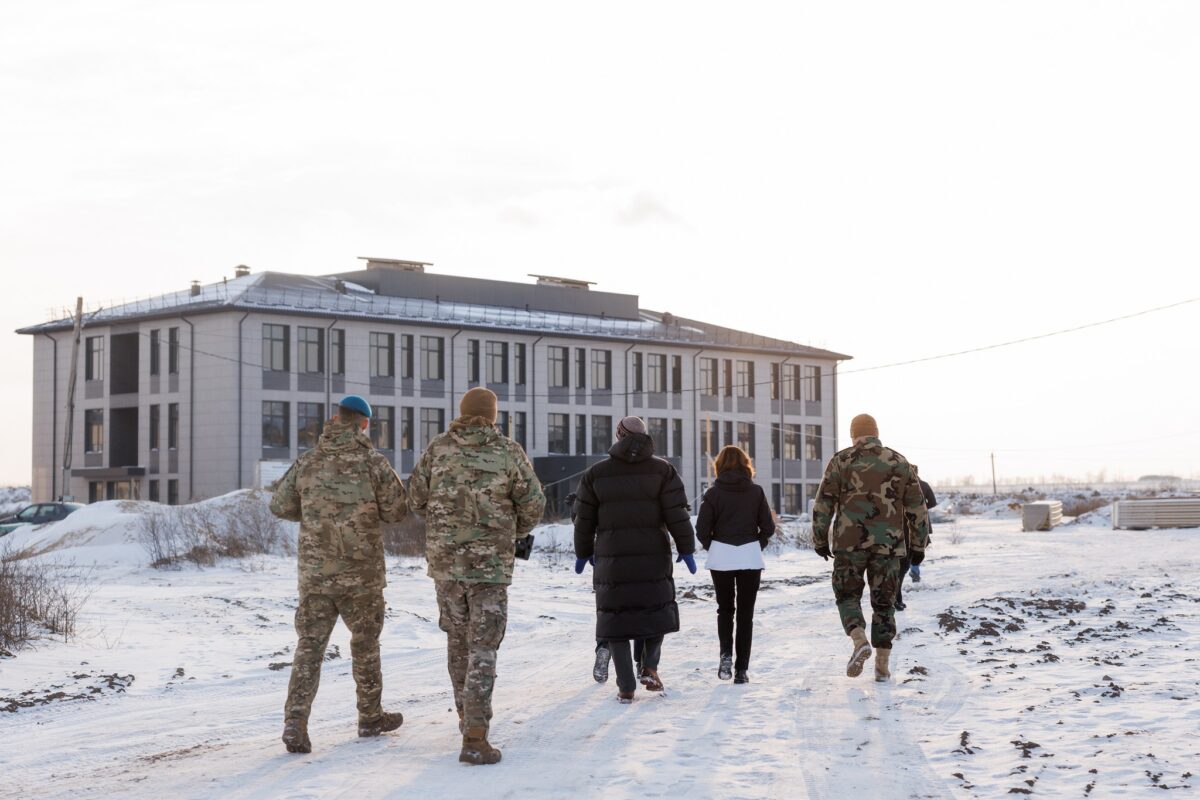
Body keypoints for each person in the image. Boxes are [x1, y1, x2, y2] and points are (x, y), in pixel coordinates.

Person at [408, 387, 545, 765]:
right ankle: (475, 734)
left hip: (447, 566)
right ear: (492, 415)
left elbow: (416, 499)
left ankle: (466, 721)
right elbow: (534, 504)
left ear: (462, 412)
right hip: (491, 567)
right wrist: (511, 530)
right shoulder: (507, 451)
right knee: (483, 647)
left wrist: (445, 523)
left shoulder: (438, 448)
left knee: (457, 643)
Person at [269, 395, 410, 754]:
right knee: (365, 646)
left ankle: (295, 721)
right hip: (362, 575)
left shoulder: (308, 461)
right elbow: (397, 511)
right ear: (364, 425)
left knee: (309, 648)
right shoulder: (373, 463)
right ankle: (370, 717)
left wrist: (317, 512)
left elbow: (280, 505)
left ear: (335, 419)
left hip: (316, 575)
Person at [572, 416, 697, 703]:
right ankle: (650, 667)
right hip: (653, 556)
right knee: (656, 612)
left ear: (618, 435)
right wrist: (686, 548)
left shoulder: (596, 474)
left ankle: (626, 685)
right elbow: (677, 513)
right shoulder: (663, 470)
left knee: (616, 619)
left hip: (612, 559)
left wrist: (583, 552)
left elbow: (583, 520)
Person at [812, 413, 929, 683]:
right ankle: (882, 667)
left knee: (847, 597)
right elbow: (917, 508)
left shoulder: (841, 461)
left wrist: (820, 539)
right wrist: (918, 546)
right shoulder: (899, 462)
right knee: (884, 604)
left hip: (848, 545)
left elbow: (823, 504)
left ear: (853, 435)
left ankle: (859, 640)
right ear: (876, 432)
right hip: (888, 547)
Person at [696, 445, 775, 684]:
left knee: (725, 610)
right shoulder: (756, 492)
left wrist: (716, 546)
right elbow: (768, 527)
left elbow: (701, 530)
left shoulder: (712, 494)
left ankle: (725, 656)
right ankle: (742, 670)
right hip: (749, 556)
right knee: (745, 614)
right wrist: (756, 544)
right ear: (745, 464)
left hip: (721, 556)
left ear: (719, 465)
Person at [895, 468, 937, 610]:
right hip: (917, 527)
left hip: (899, 528)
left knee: (901, 564)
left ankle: (897, 594)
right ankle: (914, 574)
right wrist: (921, 507)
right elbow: (932, 502)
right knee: (911, 557)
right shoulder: (923, 484)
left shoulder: (897, 485)